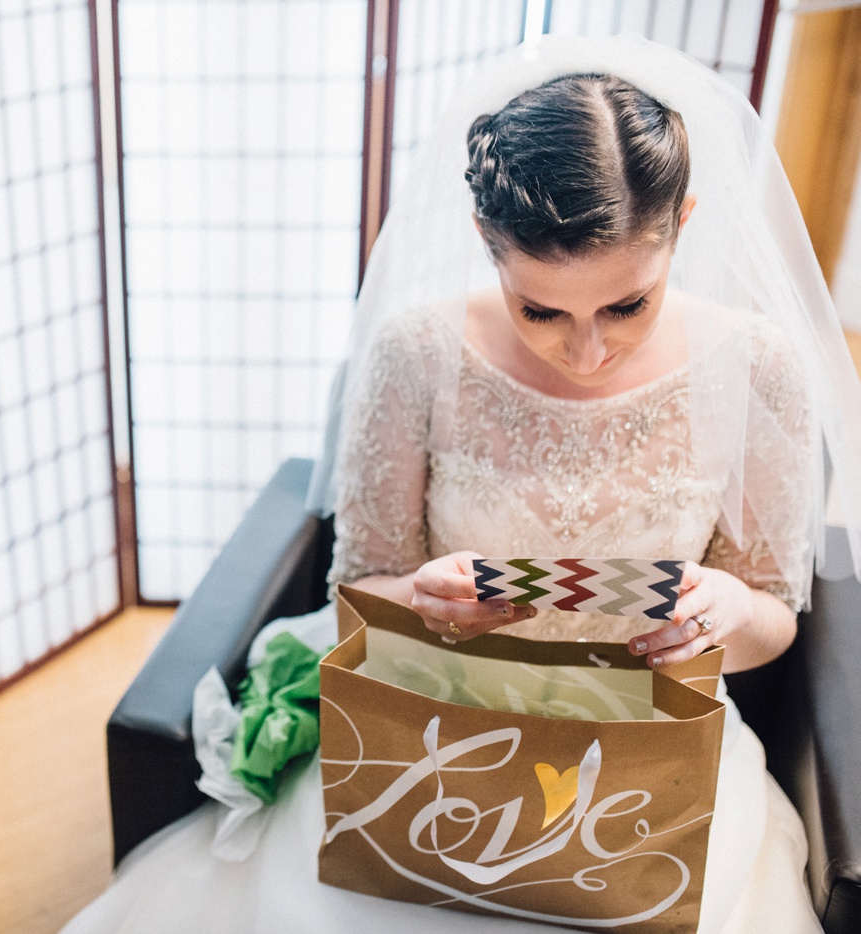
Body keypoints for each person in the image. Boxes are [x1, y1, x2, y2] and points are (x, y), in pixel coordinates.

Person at [62, 34, 861, 933]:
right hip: (433, 747)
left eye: (626, 305)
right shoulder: (417, 355)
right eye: (542, 309)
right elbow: (358, 591)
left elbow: (771, 618)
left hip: (651, 765)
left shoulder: (759, 369)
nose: (588, 350)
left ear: (682, 225)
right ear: (487, 241)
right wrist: (420, 607)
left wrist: (723, 614)